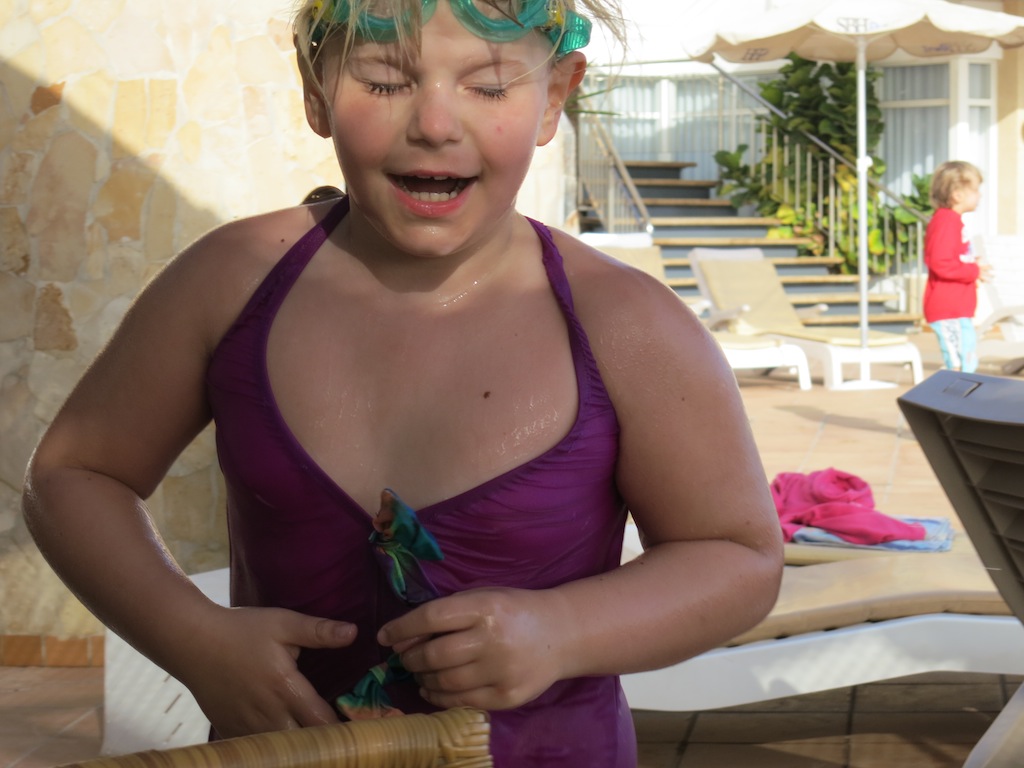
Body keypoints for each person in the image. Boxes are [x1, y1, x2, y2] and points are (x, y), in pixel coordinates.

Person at [21, 1, 783, 765]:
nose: (435, 124)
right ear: (314, 90)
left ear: (554, 95)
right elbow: (74, 474)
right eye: (385, 82)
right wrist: (192, 636)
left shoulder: (623, 325)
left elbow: (737, 555)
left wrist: (562, 632)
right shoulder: (230, 283)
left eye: (489, 87)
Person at [923, 160, 990, 372]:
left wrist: (973, 263)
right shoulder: (946, 222)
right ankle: (955, 394)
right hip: (949, 308)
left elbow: (951, 257)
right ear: (957, 195)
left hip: (957, 307)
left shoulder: (952, 221)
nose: (980, 195)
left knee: (966, 361)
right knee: (959, 365)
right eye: (975, 190)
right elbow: (940, 262)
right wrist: (974, 271)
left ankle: (962, 392)